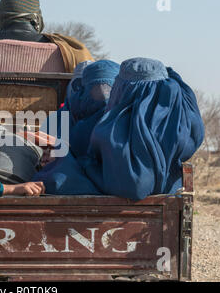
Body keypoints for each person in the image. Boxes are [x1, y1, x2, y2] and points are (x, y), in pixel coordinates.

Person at [33, 57, 205, 201]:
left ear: (122, 89)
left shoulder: (110, 129)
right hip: (168, 196)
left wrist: (65, 155)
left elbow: (133, 185)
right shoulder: (184, 125)